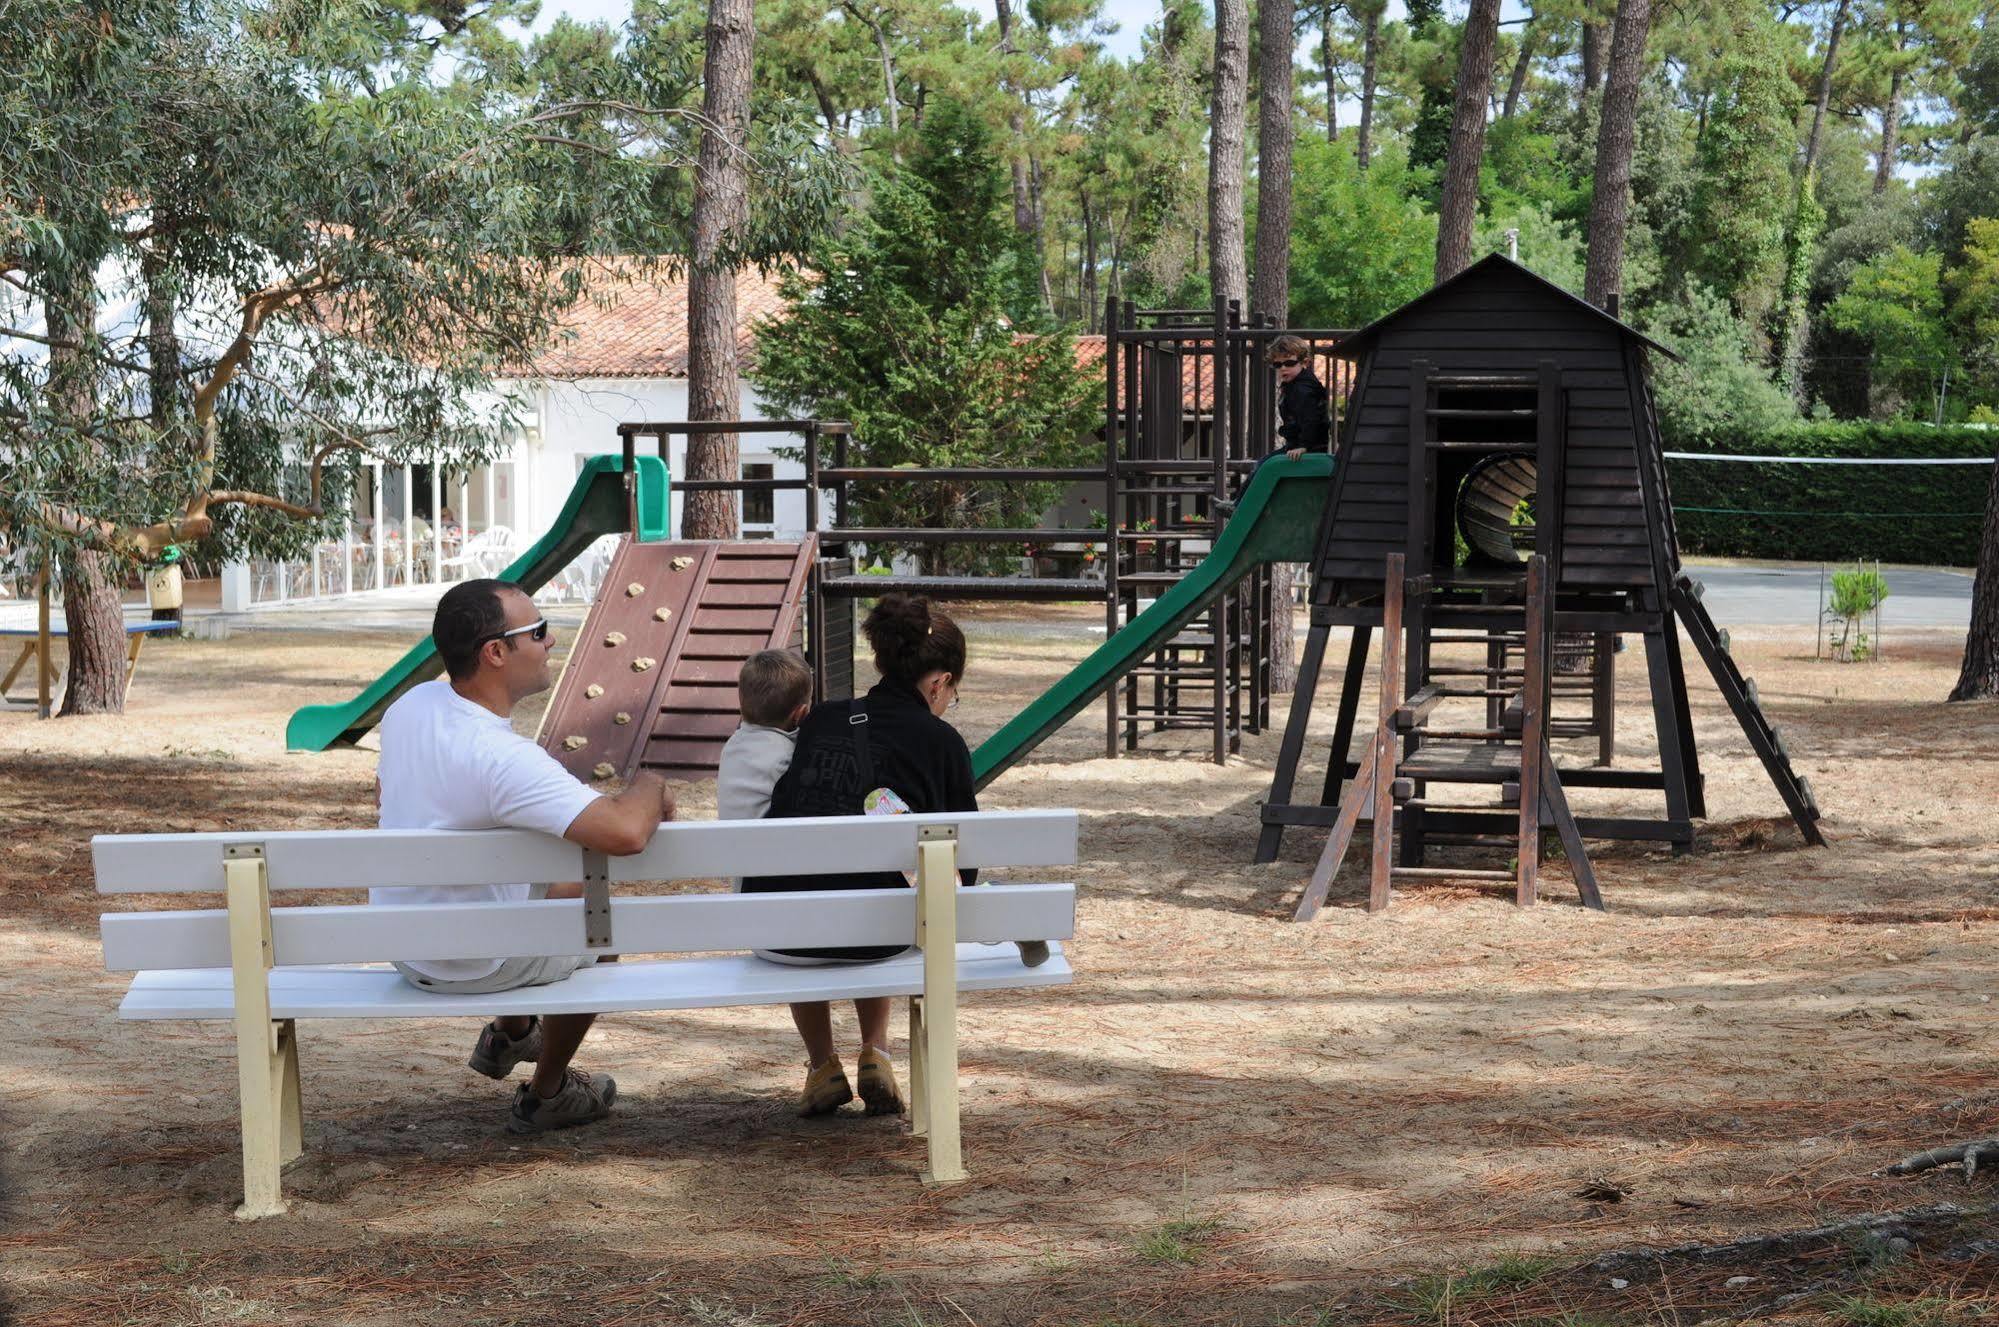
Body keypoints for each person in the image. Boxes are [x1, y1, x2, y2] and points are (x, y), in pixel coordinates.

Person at [373, 577, 675, 1134]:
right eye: (537, 632)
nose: (551, 641)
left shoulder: (408, 709)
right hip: (471, 965)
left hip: (405, 945)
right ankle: (550, 1091)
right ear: (495, 652)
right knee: (599, 926)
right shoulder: (503, 758)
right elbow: (626, 833)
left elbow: (390, 798)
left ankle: (511, 1033)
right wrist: (653, 786)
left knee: (566, 888)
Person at [742, 593, 977, 1118]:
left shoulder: (820, 721)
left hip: (782, 933)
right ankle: (876, 1051)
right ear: (938, 682)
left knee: (809, 889)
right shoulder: (942, 742)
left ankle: (822, 1063)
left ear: (881, 661)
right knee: (884, 896)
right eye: (951, 692)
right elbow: (968, 865)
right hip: (879, 940)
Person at [716, 649, 815, 824]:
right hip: (765, 843)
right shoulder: (787, 756)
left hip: (732, 841)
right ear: (801, 713)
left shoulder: (732, 745)